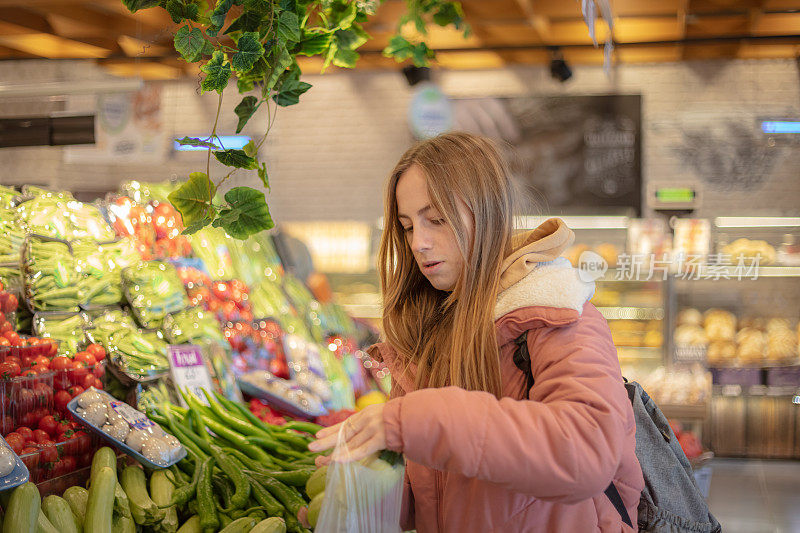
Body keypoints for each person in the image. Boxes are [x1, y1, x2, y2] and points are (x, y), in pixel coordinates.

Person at [309, 132, 644, 532]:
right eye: (407, 226)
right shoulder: (429, 327)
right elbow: (447, 486)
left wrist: (413, 423)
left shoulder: (556, 313)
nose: (419, 242)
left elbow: (586, 452)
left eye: (436, 220)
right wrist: (367, 493)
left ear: (486, 212)